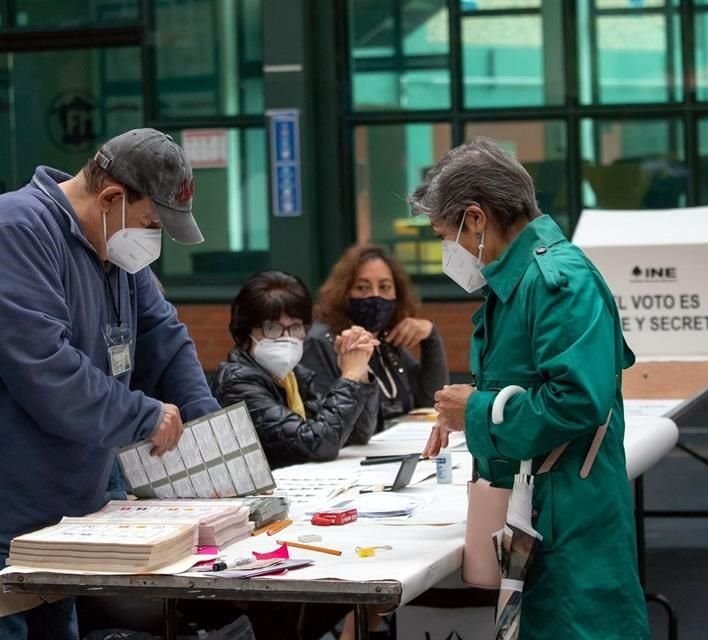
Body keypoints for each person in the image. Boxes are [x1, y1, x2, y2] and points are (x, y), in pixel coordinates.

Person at [0, 128, 221, 640]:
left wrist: (208, 432)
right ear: (111, 198)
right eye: (152, 224)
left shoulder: (114, 250)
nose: (152, 240)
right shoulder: (15, 231)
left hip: (56, 512)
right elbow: (45, 369)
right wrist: (144, 415)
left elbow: (163, 337)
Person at [414, 138, 650, 639]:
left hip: (566, 510)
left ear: (475, 219)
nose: (446, 252)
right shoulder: (517, 281)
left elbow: (576, 400)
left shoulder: (554, 280)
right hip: (539, 503)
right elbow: (525, 383)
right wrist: (469, 409)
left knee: (576, 624)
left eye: (443, 234)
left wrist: (475, 412)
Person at [213, 270, 379, 469]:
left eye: (295, 327)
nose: (286, 337)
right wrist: (350, 377)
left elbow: (357, 434)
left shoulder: (293, 377)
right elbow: (316, 445)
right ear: (246, 330)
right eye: (272, 328)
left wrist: (360, 371)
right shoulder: (238, 382)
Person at [303, 244, 449, 428]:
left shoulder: (385, 340)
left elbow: (430, 400)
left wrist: (431, 338)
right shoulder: (321, 343)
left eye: (385, 287)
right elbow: (327, 425)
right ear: (344, 293)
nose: (375, 296)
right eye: (362, 287)